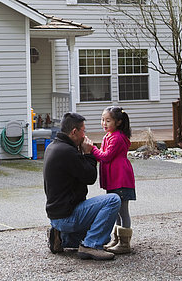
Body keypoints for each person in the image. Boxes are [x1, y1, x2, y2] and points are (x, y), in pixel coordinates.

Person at [43, 112, 121, 260]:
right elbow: (90, 177)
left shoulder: (54, 147)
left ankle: (61, 238)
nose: (85, 135)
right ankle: (90, 246)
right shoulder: (67, 152)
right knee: (113, 200)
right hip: (67, 216)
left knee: (105, 238)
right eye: (83, 131)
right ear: (74, 132)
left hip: (57, 215)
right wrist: (88, 154)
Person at [89, 106, 136, 254]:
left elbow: (106, 156)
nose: (104, 123)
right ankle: (116, 239)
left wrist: (92, 149)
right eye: (102, 120)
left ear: (118, 122)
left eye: (108, 120)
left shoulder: (117, 138)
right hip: (114, 178)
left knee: (122, 211)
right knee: (115, 210)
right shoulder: (108, 136)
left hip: (121, 178)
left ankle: (124, 243)